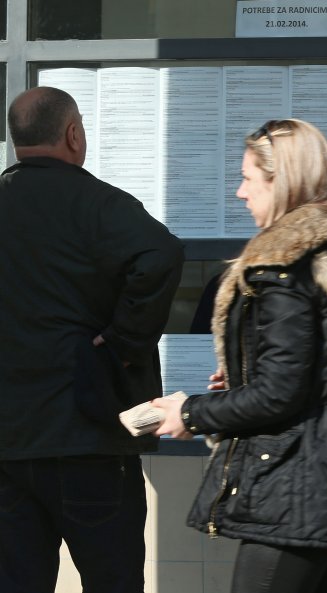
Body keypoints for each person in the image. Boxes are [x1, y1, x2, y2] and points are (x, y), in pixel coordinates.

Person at [152, 118, 327, 593]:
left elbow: (280, 394)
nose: (239, 193)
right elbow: (312, 376)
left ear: (282, 182)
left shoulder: (283, 273)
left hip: (303, 489)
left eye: (248, 178)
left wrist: (190, 411)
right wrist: (244, 382)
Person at [0, 86, 184, 593]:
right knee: (113, 579)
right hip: (91, 435)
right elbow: (162, 254)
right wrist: (124, 340)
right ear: (73, 135)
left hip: (9, 445)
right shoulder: (99, 204)